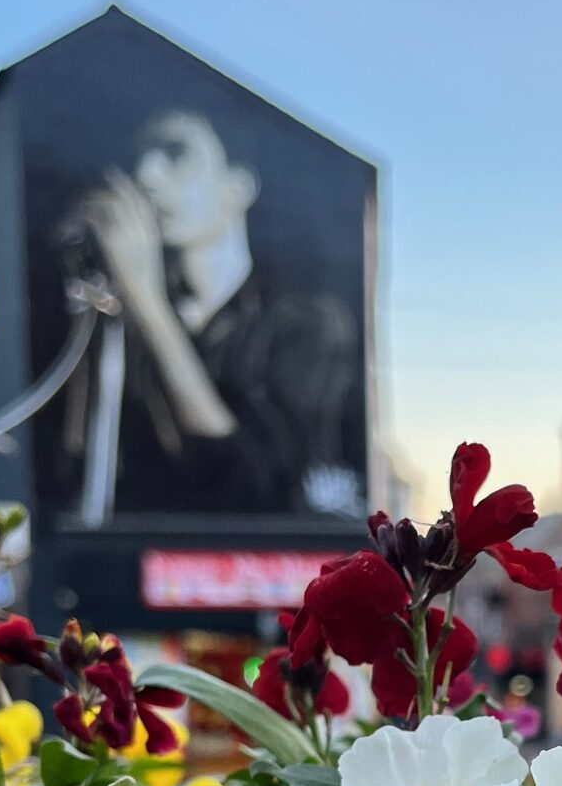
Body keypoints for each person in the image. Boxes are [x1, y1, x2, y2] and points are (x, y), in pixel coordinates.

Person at [60, 110, 361, 518]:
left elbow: (252, 478)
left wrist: (147, 300)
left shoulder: (308, 323)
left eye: (176, 154)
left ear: (239, 187)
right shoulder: (120, 321)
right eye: (143, 157)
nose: (147, 175)